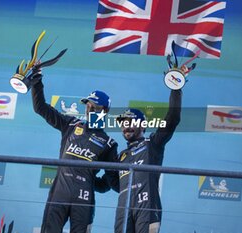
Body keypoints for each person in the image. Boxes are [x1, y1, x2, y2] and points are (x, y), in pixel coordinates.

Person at [99, 65, 185, 233]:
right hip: (123, 212)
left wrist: (176, 88)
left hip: (147, 208)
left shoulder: (152, 144)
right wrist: (78, 172)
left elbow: (173, 118)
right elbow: (110, 186)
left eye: (131, 122)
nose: (126, 127)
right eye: (124, 124)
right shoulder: (120, 157)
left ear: (143, 126)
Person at [30, 71, 118, 233]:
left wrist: (90, 180)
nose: (89, 109)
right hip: (59, 194)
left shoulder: (109, 143)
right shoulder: (70, 124)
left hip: (84, 200)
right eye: (87, 105)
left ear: (104, 110)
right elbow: (40, 108)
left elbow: (108, 183)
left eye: (94, 106)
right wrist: (37, 83)